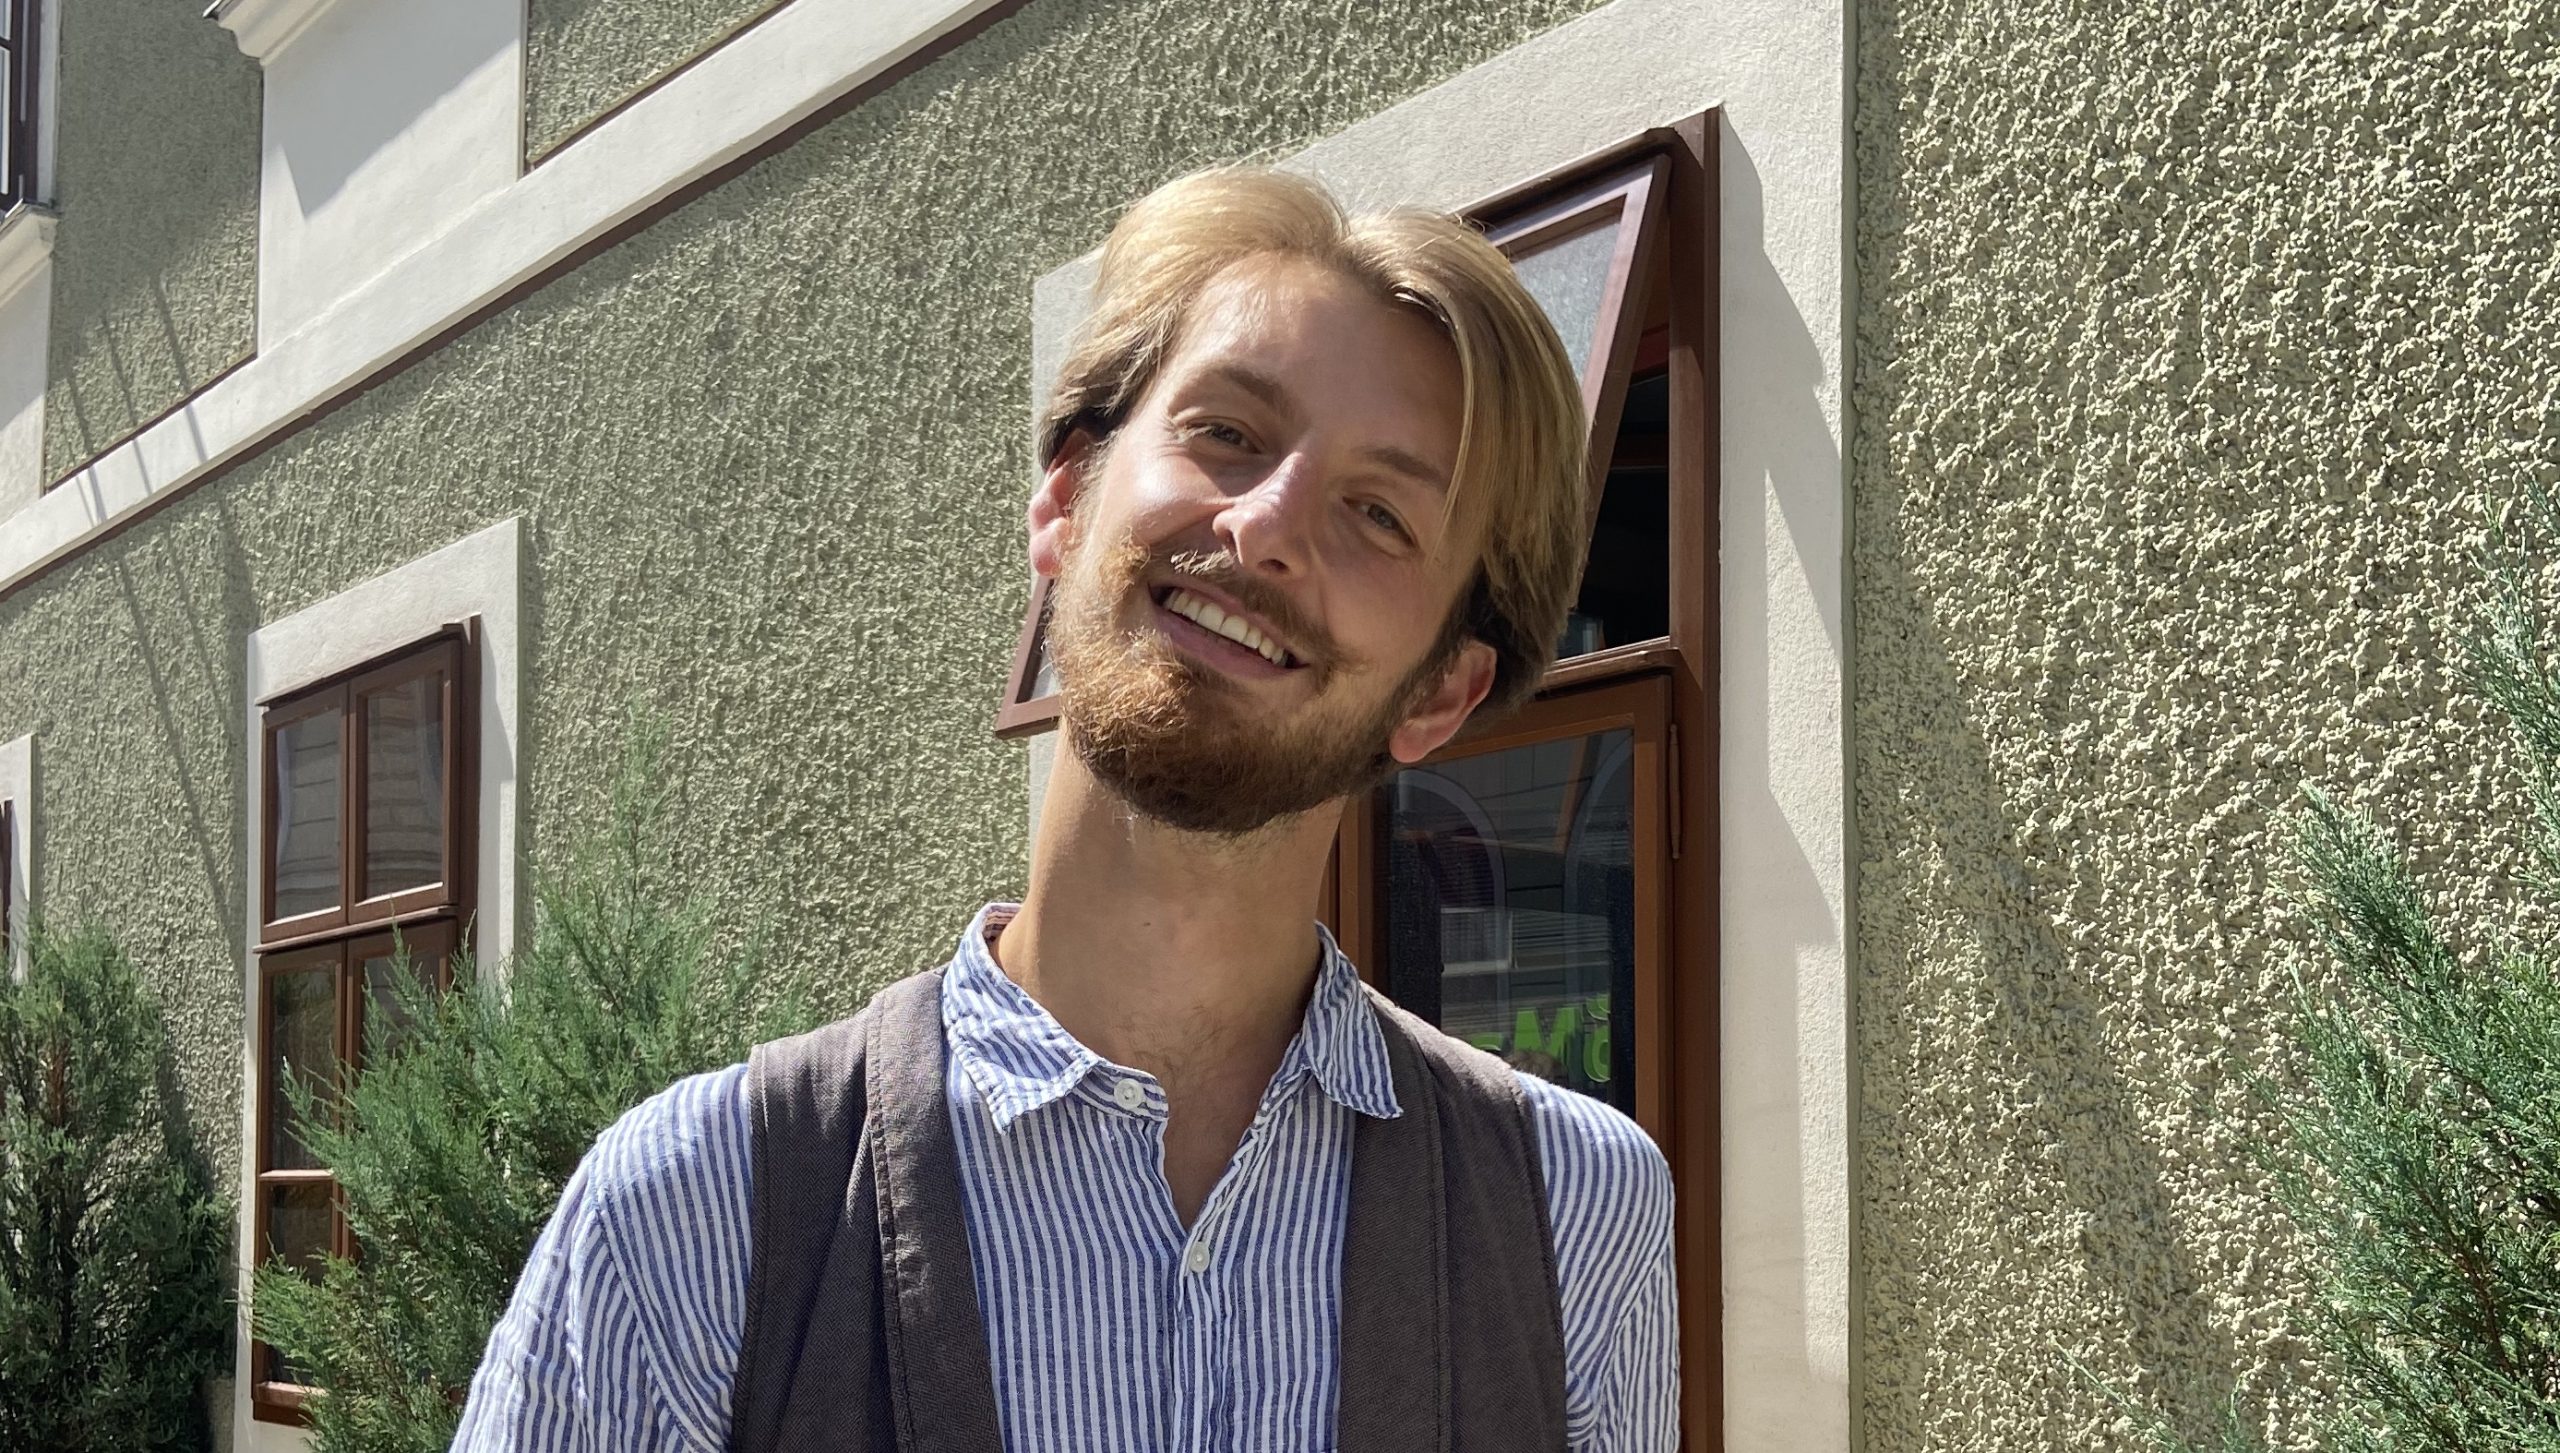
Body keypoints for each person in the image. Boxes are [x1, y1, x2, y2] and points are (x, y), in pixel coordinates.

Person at [452, 165, 1678, 1453]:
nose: (1265, 527)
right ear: (1065, 501)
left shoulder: (1575, 1219)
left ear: (1440, 692)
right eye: (1227, 432)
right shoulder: (691, 1216)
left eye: (1379, 513)